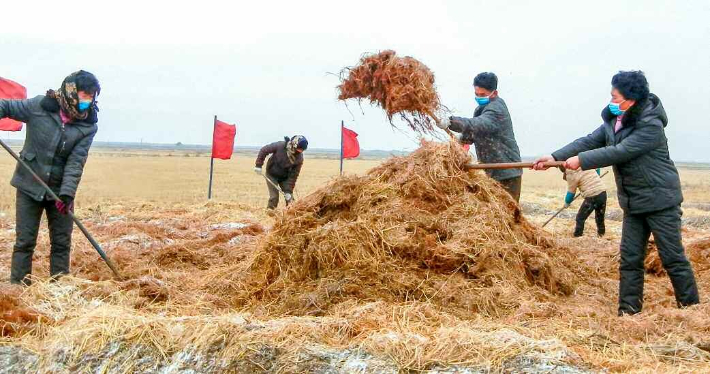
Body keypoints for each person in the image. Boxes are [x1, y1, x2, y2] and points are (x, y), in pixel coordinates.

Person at [533, 71, 699, 316]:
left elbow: (620, 151)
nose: (611, 100)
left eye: (615, 96)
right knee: (630, 258)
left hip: (660, 200)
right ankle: (628, 312)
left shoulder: (650, 124)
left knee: (672, 257)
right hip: (633, 203)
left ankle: (691, 309)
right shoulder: (614, 121)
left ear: (631, 99)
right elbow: (590, 140)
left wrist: (581, 161)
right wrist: (555, 157)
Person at [0, 70, 100, 285]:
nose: (87, 101)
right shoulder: (38, 106)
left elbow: (76, 162)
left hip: (60, 191)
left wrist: (66, 194)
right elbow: (6, 107)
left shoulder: (88, 125)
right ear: (71, 91)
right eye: (84, 95)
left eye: (91, 96)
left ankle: (59, 289)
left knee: (62, 242)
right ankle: (19, 288)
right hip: (29, 183)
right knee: (25, 241)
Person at [437, 72, 523, 202]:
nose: (478, 97)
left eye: (482, 95)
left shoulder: (496, 109)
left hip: (506, 171)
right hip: (490, 171)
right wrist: (460, 142)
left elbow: (478, 124)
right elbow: (473, 133)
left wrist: (451, 122)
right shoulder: (481, 109)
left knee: (508, 214)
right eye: (476, 94)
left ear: (494, 93)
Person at [254, 135, 307, 209]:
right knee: (274, 197)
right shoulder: (280, 146)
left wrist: (288, 191)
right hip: (271, 174)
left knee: (290, 200)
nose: (300, 151)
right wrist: (258, 165)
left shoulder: (299, 159)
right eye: (298, 149)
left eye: (302, 150)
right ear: (294, 145)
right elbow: (264, 150)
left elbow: (294, 176)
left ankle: (290, 215)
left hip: (285, 178)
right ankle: (270, 214)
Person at [561, 167, 607, 237]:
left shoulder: (570, 174)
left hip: (592, 196)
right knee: (599, 216)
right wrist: (597, 176)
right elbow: (597, 167)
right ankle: (601, 234)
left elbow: (571, 192)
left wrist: (567, 202)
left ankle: (577, 236)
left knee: (580, 218)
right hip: (602, 193)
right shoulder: (584, 163)